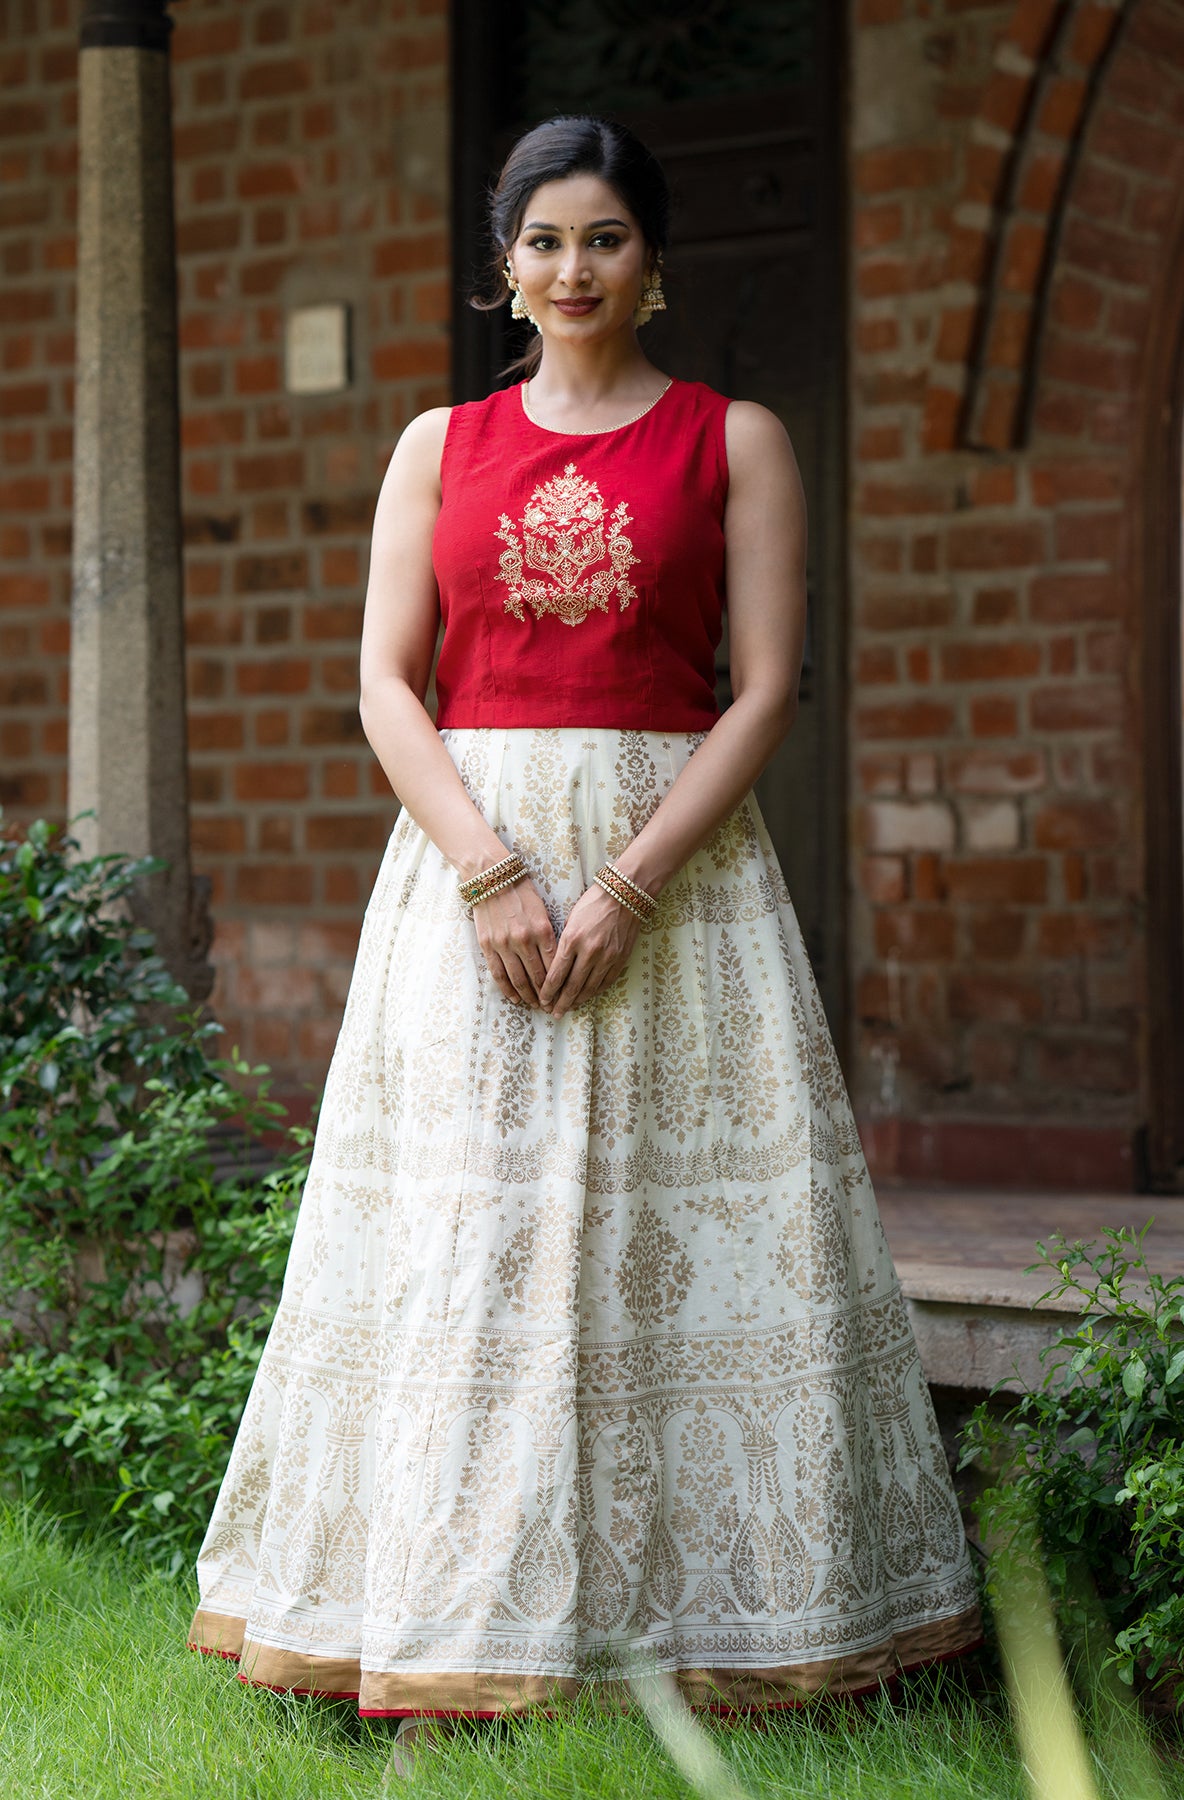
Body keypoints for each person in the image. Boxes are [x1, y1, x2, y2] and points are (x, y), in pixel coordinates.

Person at [189, 115, 981, 1775]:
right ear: (504, 269)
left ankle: (725, 1633)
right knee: (467, 1249)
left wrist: (623, 884)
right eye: (544, 240)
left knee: (670, 1246)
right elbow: (383, 685)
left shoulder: (735, 439)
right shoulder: (437, 446)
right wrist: (491, 874)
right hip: (465, 883)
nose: (573, 269)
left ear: (654, 260)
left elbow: (763, 688)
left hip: (675, 881)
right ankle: (443, 1631)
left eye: (604, 237)